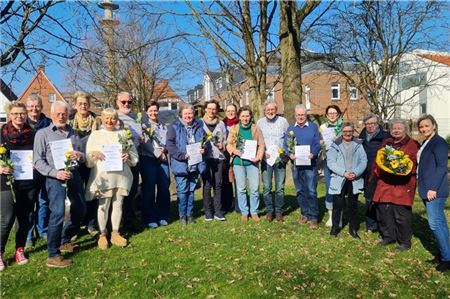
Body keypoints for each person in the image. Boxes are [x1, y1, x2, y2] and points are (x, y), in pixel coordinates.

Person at [33, 100, 87, 268]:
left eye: (64, 114)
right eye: (58, 114)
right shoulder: (43, 134)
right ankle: (53, 254)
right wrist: (56, 173)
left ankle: (65, 238)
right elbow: (37, 161)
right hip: (54, 177)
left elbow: (83, 156)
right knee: (57, 213)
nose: (62, 116)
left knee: (80, 208)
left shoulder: (73, 133)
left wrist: (79, 156)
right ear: (52, 114)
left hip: (73, 174)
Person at [85, 108, 138, 249]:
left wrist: (128, 157)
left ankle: (115, 232)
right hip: (104, 176)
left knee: (118, 203)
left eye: (113, 118)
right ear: (102, 119)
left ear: (116, 119)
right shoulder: (96, 135)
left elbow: (134, 156)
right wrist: (94, 154)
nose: (110, 121)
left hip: (121, 176)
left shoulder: (123, 134)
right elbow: (88, 158)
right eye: (107, 118)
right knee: (104, 204)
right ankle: (102, 234)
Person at [0, 102, 37, 270]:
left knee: (24, 218)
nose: (19, 116)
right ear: (9, 115)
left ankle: (19, 249)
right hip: (6, 182)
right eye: (15, 113)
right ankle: (0, 253)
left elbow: (39, 154)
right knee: (7, 218)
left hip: (27, 182)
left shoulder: (33, 134)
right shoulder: (1, 133)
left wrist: (36, 163)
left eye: (22, 113)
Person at [372, 119, 419, 252]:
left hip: (402, 185)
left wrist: (398, 167)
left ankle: (404, 241)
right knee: (384, 211)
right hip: (385, 183)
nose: (396, 130)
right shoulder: (387, 143)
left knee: (401, 214)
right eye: (394, 128)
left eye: (399, 128)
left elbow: (412, 163)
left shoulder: (412, 144)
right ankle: (388, 237)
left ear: (405, 130)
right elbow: (379, 159)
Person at [417, 115, 450, 272]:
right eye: (421, 127)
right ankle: (444, 253)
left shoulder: (440, 143)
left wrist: (433, 188)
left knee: (435, 224)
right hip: (427, 189)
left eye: (426, 126)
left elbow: (442, 167)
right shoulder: (426, 142)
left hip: (434, 191)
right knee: (441, 224)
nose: (424, 129)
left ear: (434, 126)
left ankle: (446, 259)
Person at [326, 122, 367, 239]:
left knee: (353, 205)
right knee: (337, 204)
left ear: (353, 131)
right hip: (340, 178)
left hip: (354, 178)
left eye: (350, 131)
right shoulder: (335, 144)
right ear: (342, 132)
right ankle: (335, 228)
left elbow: (363, 161)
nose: (347, 133)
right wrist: (344, 173)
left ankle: (353, 229)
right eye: (345, 131)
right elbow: (331, 162)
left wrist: (355, 173)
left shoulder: (358, 144)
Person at [166, 105, 206, 225]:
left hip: (195, 163)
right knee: (183, 191)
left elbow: (204, 142)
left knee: (192, 190)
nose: (188, 116)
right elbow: (170, 145)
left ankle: (190, 214)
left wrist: (204, 148)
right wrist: (181, 155)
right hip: (181, 164)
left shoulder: (199, 127)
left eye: (190, 114)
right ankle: (182, 215)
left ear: (194, 115)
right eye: (186, 114)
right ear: (181, 115)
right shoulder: (174, 127)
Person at [69, 91, 101, 237]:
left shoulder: (96, 121)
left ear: (89, 105)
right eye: (80, 103)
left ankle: (91, 224)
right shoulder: (69, 121)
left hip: (92, 162)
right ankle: (75, 226)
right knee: (76, 196)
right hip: (75, 164)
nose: (83, 106)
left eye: (85, 103)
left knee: (93, 193)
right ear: (75, 105)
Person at [285, 104, 321, 229]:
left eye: (303, 115)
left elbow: (317, 143)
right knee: (300, 190)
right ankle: (305, 214)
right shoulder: (290, 129)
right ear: (295, 116)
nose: (301, 117)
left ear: (306, 115)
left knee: (311, 190)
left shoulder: (313, 127)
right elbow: (286, 145)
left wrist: (314, 153)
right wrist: (290, 154)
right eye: (298, 115)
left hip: (310, 164)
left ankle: (314, 216)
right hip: (296, 165)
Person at [227, 106, 265, 222]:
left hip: (252, 163)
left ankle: (254, 211)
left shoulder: (256, 129)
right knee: (241, 189)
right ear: (239, 117)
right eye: (243, 116)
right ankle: (244, 212)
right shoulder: (234, 129)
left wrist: (258, 157)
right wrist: (234, 150)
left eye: (247, 116)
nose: (245, 118)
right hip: (239, 163)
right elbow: (228, 144)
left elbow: (261, 145)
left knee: (254, 189)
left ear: (251, 117)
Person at [25, 94, 51, 248]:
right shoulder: (22, 124)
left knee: (43, 201)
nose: (34, 109)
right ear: (27, 107)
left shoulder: (49, 124)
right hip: (26, 171)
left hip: (45, 169)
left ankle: (43, 230)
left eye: (37, 106)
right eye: (31, 106)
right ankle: (29, 234)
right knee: (29, 203)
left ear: (41, 107)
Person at [139, 101, 171, 228]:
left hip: (163, 160)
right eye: (151, 110)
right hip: (148, 159)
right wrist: (159, 154)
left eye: (155, 110)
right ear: (146, 112)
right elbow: (144, 144)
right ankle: (150, 217)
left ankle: (163, 215)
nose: (153, 113)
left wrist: (166, 149)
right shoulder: (142, 126)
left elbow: (168, 141)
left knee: (164, 187)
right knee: (149, 189)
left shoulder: (163, 126)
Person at [256, 100, 289, 222]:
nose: (270, 112)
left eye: (272, 109)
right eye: (268, 110)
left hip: (280, 159)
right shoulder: (259, 123)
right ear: (265, 111)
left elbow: (288, 138)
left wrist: (285, 153)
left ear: (276, 110)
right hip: (266, 159)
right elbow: (257, 140)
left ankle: (279, 211)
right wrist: (262, 153)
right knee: (266, 186)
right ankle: (270, 210)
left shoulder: (283, 121)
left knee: (280, 186)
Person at [359, 113, 390, 233]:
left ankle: (383, 225)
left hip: (381, 173)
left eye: (372, 123)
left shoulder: (385, 136)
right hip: (367, 173)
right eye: (368, 124)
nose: (370, 126)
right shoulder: (362, 136)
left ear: (377, 124)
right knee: (368, 199)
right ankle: (371, 225)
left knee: (381, 200)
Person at [116, 92, 141, 231]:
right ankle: (115, 224)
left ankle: (130, 222)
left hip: (133, 159)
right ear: (117, 102)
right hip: (118, 162)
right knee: (119, 193)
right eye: (123, 102)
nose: (126, 104)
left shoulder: (134, 119)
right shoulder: (112, 117)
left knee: (132, 192)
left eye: (129, 102)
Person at [201, 100, 227, 221]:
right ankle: (208, 211)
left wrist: (223, 146)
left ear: (216, 110)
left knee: (218, 184)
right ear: (205, 109)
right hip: (205, 158)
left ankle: (218, 211)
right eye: (209, 108)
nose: (211, 111)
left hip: (218, 158)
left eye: (214, 109)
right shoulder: (199, 123)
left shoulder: (221, 124)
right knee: (207, 185)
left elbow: (225, 139)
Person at [319, 105, 343, 227]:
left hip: (341, 161)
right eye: (329, 113)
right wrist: (321, 143)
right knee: (329, 187)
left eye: (334, 113)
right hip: (328, 160)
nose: (332, 115)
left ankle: (339, 217)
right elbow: (319, 143)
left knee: (339, 188)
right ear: (326, 115)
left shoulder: (344, 126)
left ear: (338, 114)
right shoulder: (322, 128)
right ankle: (331, 216)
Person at [222, 103, 239, 213]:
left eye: (233, 111)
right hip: (224, 155)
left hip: (237, 154)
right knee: (226, 181)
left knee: (238, 181)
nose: (231, 113)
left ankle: (238, 205)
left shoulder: (240, 123)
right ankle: (227, 204)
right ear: (225, 112)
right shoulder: (222, 124)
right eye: (228, 111)